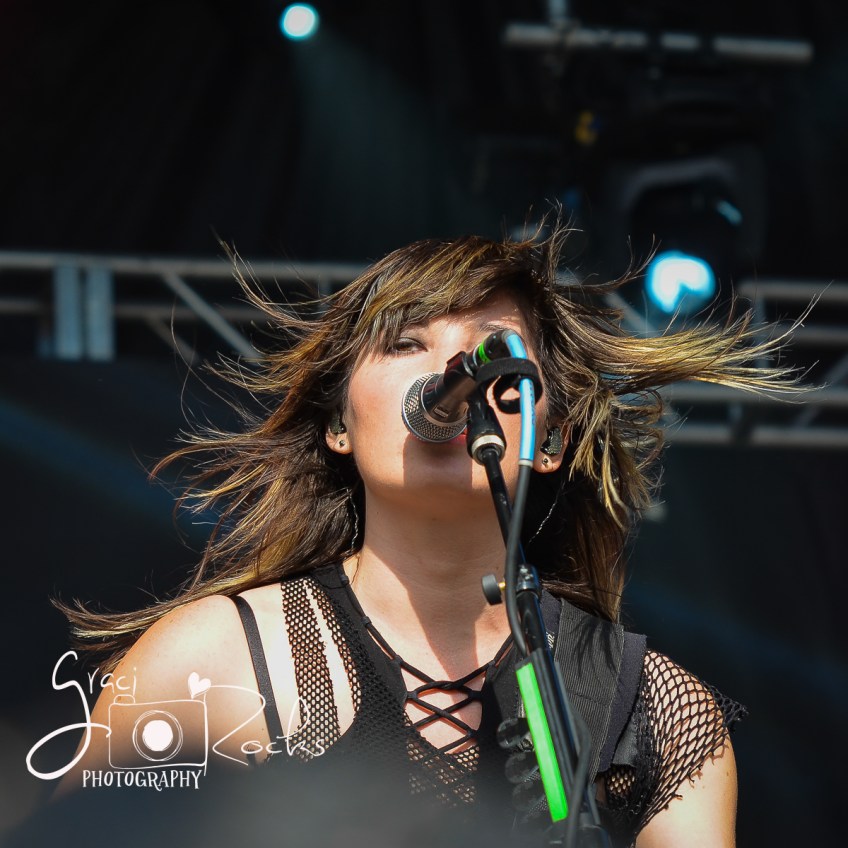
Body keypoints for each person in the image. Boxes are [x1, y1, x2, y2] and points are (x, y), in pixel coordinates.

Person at [54, 223, 793, 846]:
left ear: (549, 440)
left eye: (495, 352)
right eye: (405, 342)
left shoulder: (657, 712)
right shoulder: (205, 663)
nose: (452, 370)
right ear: (339, 426)